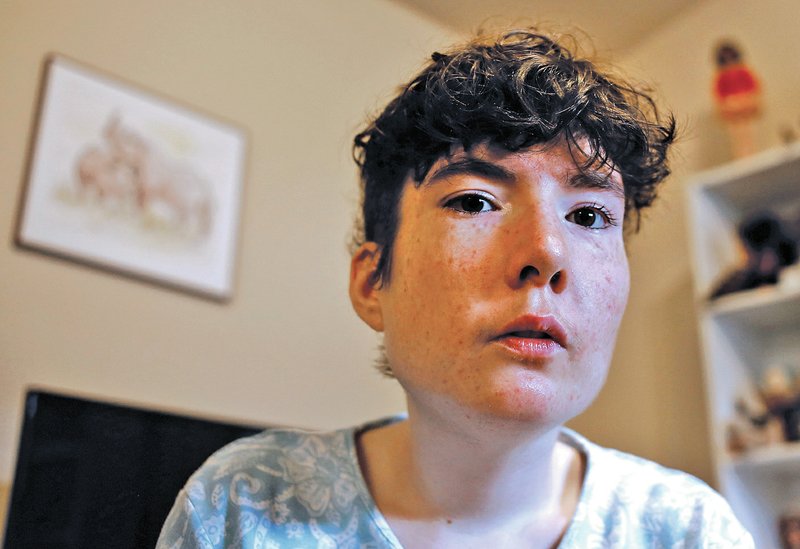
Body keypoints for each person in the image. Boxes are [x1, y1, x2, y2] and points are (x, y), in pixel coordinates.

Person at [157, 29, 754, 548]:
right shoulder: (243, 506)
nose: (546, 252)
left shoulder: (689, 531)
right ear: (372, 282)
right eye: (474, 201)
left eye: (591, 216)